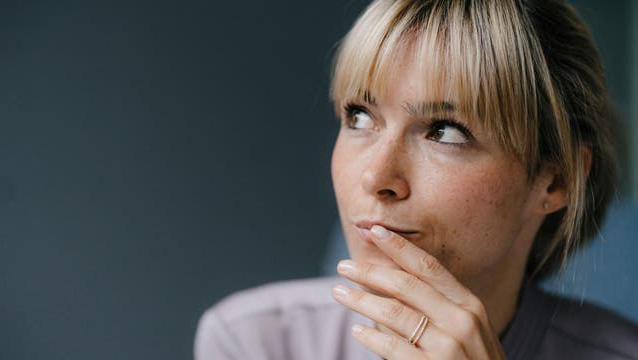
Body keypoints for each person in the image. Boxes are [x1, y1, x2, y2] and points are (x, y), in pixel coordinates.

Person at [194, 0, 638, 359]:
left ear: (556, 180)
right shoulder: (255, 342)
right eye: (360, 116)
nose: (375, 176)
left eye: (444, 131)